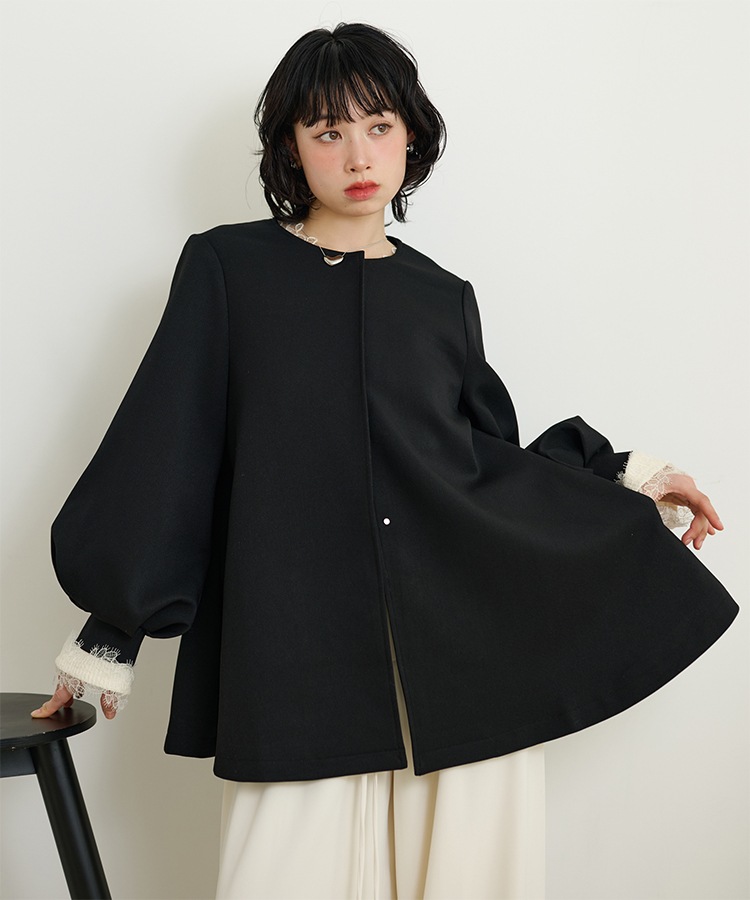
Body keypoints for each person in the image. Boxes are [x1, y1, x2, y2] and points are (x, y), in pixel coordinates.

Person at [32, 21, 738, 900]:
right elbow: (169, 445)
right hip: (296, 659)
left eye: (378, 126)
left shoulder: (442, 299)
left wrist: (623, 475)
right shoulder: (228, 269)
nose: (358, 155)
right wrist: (113, 627)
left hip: (461, 666)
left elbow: (481, 466)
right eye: (327, 131)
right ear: (291, 147)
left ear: (411, 134)